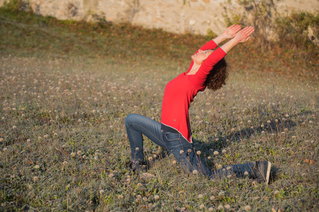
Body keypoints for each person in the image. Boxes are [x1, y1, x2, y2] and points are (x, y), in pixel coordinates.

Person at [125, 25, 272, 184]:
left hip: (177, 139)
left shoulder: (196, 80)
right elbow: (204, 49)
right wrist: (223, 35)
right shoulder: (190, 72)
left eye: (206, 54)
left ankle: (255, 169)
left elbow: (213, 59)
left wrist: (235, 40)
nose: (201, 52)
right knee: (132, 120)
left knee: (205, 176)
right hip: (164, 132)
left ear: (208, 64)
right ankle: (138, 164)